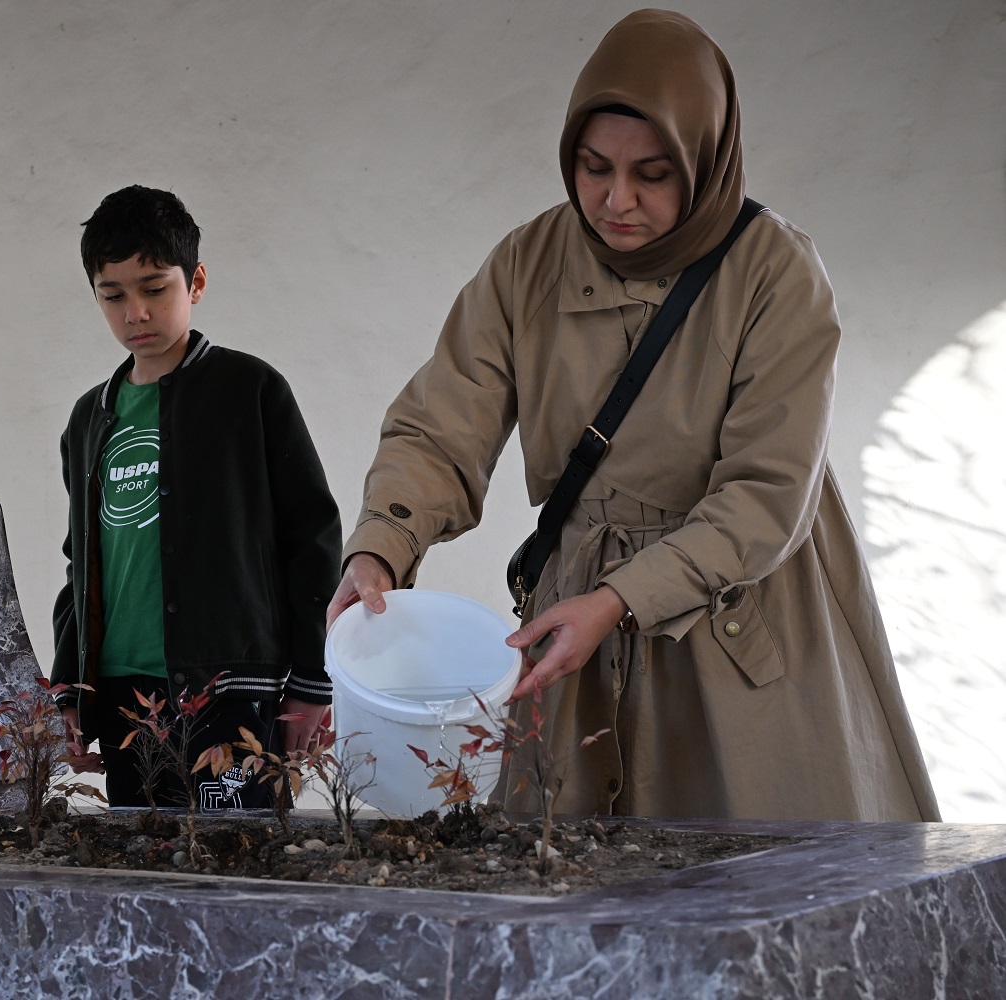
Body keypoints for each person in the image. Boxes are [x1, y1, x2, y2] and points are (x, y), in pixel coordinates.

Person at [327, 10, 939, 822]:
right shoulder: (529, 262)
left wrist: (621, 600)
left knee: (755, 867)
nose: (616, 201)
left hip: (738, 618)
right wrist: (381, 546)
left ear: (704, 160)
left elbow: (766, 494)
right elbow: (443, 421)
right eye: (593, 168)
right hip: (575, 618)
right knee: (575, 870)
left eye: (652, 174)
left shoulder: (774, 272)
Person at [52, 185, 341, 808]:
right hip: (124, 694)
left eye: (155, 289)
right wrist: (71, 690)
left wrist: (313, 679)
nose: (136, 313)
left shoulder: (250, 391)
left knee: (239, 858)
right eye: (113, 296)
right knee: (138, 860)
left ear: (196, 282)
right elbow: (83, 564)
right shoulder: (88, 419)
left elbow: (312, 537)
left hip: (231, 686)